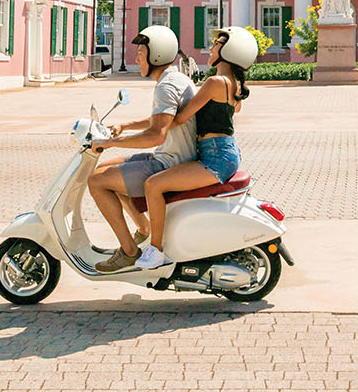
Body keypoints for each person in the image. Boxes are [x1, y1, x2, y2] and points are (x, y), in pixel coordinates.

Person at [131, 25, 257, 270]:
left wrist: (164, 111)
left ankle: (156, 250)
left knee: (153, 185)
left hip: (215, 158)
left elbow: (180, 118)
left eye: (217, 44)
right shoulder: (234, 85)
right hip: (224, 152)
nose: (211, 48)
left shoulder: (215, 82)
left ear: (230, 51)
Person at [86, 24, 197, 273]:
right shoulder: (174, 79)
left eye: (141, 52)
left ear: (156, 55)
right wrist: (125, 125)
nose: (136, 57)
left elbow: (157, 134)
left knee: (96, 181)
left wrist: (111, 143)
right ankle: (143, 230)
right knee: (105, 169)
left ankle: (128, 252)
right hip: (169, 156)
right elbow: (161, 119)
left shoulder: (166, 86)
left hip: (169, 163)